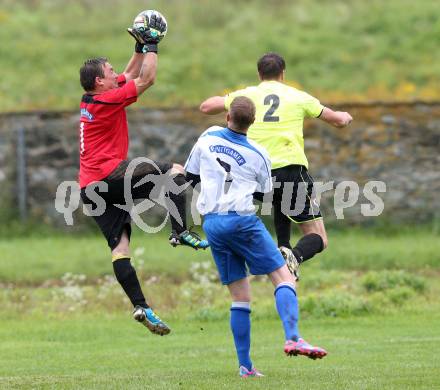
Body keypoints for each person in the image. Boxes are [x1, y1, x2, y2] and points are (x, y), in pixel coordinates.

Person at [78, 13, 208, 337]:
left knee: (120, 249)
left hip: (90, 189)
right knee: (173, 171)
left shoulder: (95, 97)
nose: (114, 73)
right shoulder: (106, 99)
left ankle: (141, 305)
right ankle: (180, 231)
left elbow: (129, 74)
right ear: (99, 82)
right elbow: (146, 79)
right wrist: (152, 45)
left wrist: (138, 46)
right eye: (108, 72)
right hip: (109, 177)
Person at [185, 96, 327, 378]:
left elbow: (191, 175)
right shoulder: (259, 153)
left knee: (240, 297)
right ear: (252, 123)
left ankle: (246, 366)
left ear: (227, 117)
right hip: (241, 221)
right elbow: (264, 195)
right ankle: (293, 337)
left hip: (212, 223)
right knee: (284, 278)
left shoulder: (207, 136)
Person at [199, 53, 353, 280]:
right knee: (319, 237)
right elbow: (338, 120)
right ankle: (295, 256)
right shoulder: (298, 96)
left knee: (279, 199)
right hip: (290, 170)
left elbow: (206, 106)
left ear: (259, 74)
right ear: (283, 74)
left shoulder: (247, 95)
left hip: (256, 176)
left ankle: (283, 247)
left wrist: (231, 100)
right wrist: (346, 116)